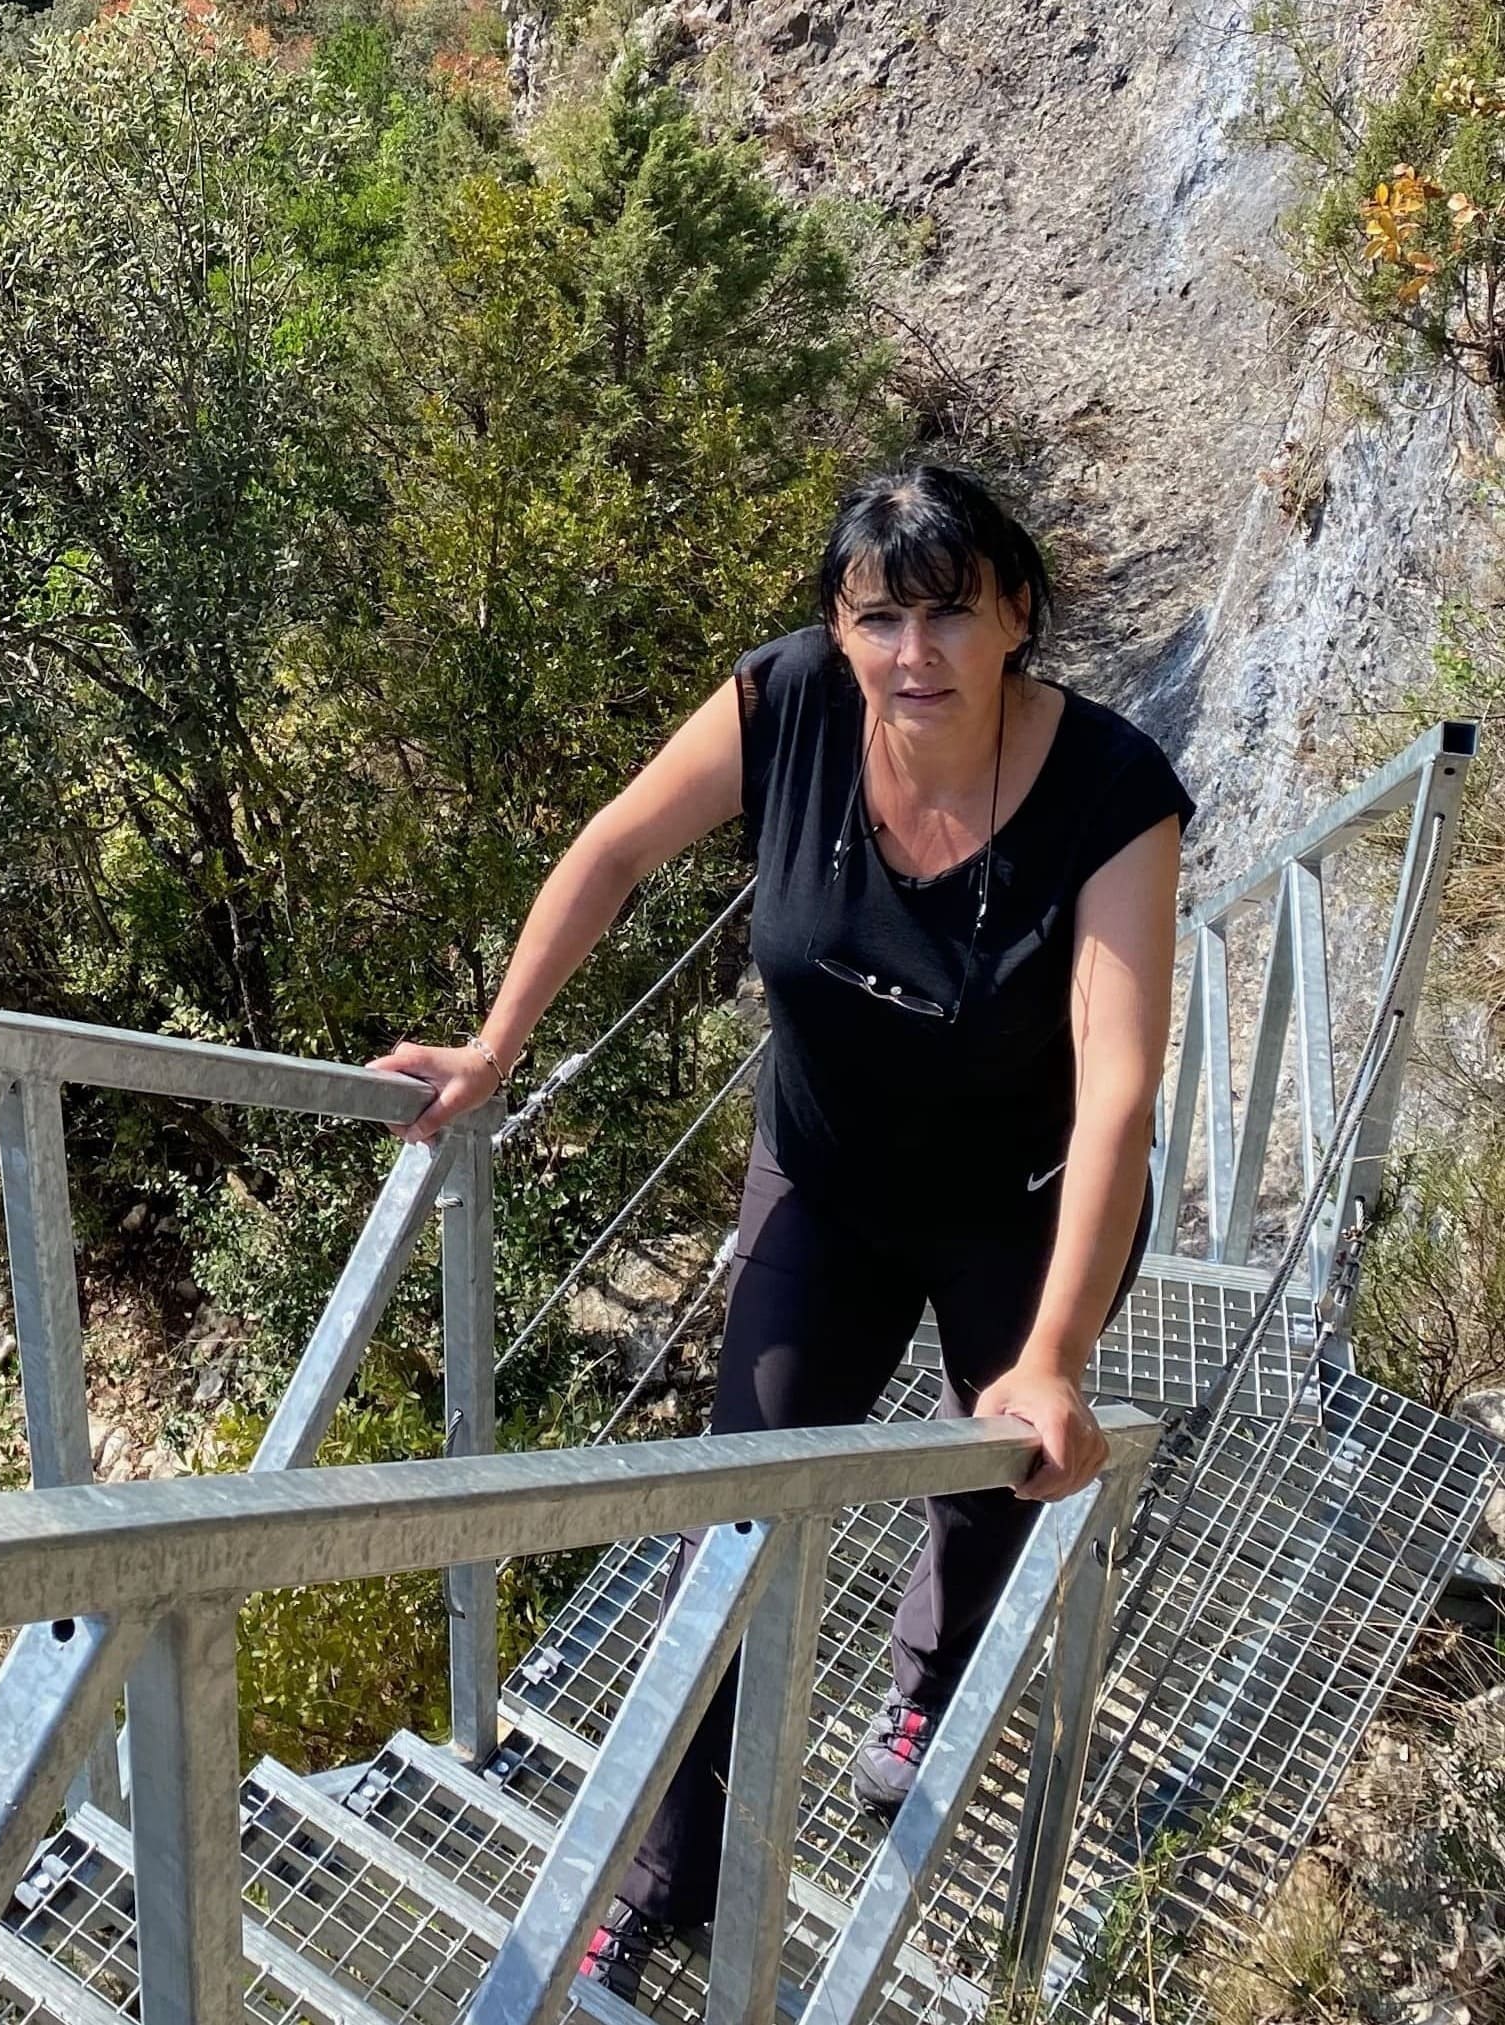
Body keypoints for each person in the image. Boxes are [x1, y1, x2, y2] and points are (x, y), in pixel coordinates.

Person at [366, 463, 1195, 2003]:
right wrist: (493, 1051)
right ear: (836, 623)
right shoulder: (787, 704)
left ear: (1017, 611)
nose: (914, 652)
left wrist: (1056, 1354)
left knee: (990, 1470)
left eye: (952, 609)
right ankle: (666, 1871)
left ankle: (926, 1694)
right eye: (879, 614)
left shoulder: (1111, 788)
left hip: (1018, 1208)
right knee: (726, 1521)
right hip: (824, 1182)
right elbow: (614, 849)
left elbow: (1119, 1087)